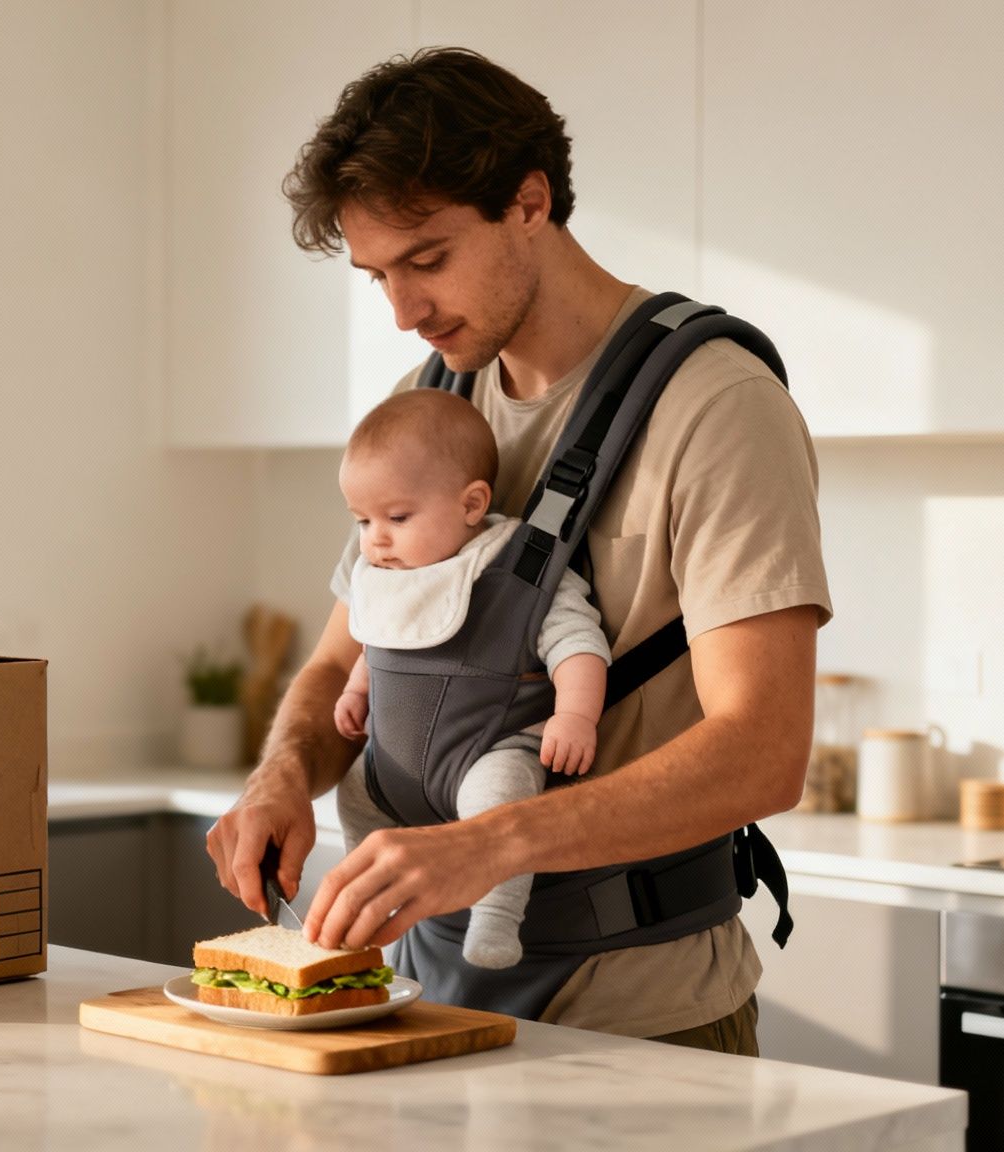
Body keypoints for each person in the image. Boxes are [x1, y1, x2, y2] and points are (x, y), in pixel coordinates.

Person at [204, 46, 831, 1054]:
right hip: (423, 995)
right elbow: (337, 659)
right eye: (376, 275)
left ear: (529, 202)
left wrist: (485, 846)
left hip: (640, 1021)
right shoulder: (435, 399)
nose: (402, 309)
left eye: (427, 259)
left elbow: (762, 751)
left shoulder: (716, 406)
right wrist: (281, 774)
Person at [331, 388, 610, 969]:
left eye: (397, 517)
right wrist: (358, 691)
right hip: (395, 761)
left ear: (472, 503)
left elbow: (578, 643)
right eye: (362, 520)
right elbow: (381, 640)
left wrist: (575, 715)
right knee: (355, 793)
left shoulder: (515, 568)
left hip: (489, 746)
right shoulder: (384, 572)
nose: (375, 539)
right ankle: (364, 892)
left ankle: (497, 919)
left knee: (502, 803)